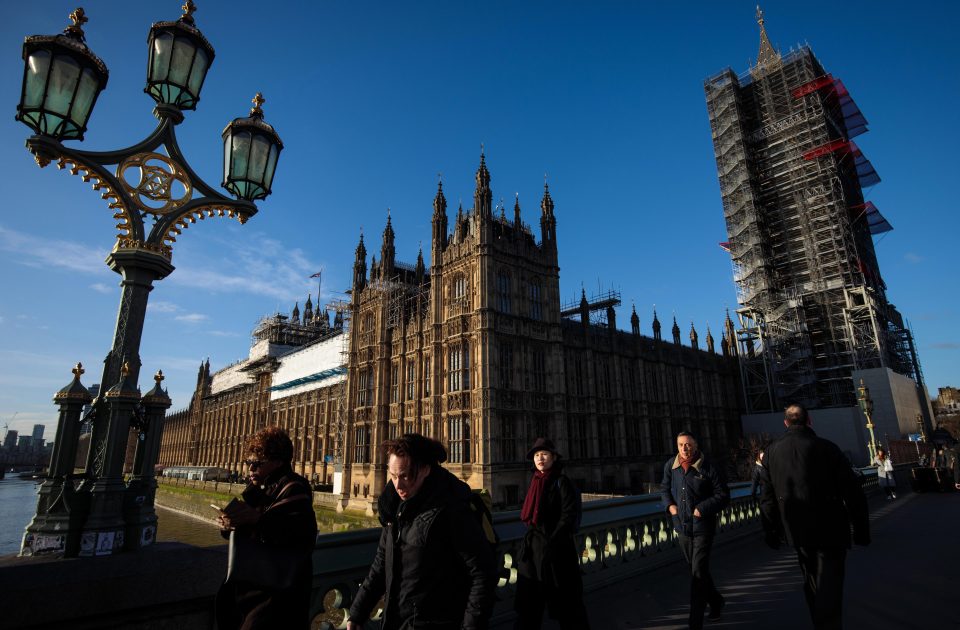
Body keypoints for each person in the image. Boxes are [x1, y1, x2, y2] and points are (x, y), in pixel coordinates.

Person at [347, 433, 496, 630]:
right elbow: (382, 564)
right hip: (399, 620)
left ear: (426, 469)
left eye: (405, 476)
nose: (398, 485)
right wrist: (358, 613)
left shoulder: (451, 508)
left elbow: (483, 574)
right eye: (393, 476)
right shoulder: (394, 509)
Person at [760, 404, 870, 629]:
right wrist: (861, 530)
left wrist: (771, 531)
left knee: (811, 582)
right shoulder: (828, 448)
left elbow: (767, 498)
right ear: (809, 421)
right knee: (830, 584)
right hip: (831, 528)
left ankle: (820, 622)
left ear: (785, 423)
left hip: (797, 531)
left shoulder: (771, 452)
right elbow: (853, 493)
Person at [215, 426, 318, 630]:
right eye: (248, 463)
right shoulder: (261, 491)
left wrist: (255, 519)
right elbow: (251, 529)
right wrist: (229, 524)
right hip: (254, 591)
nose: (250, 469)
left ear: (278, 461)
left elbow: (299, 535)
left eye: (257, 463)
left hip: (277, 596)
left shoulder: (294, 488)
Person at [513, 437, 590, 630]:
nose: (540, 458)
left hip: (556, 552)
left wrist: (552, 542)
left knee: (568, 607)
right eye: (537, 455)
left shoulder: (561, 482)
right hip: (532, 553)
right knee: (529, 607)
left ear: (554, 458)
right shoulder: (535, 481)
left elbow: (569, 515)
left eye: (544, 454)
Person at [661, 431, 729, 629]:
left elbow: (723, 495)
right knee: (697, 570)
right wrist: (670, 507)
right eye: (681, 444)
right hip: (681, 527)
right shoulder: (670, 466)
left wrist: (702, 508)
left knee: (698, 574)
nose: (684, 448)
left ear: (696, 445)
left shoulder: (709, 466)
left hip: (703, 527)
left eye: (688, 444)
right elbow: (664, 489)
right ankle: (716, 601)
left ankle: (695, 622)